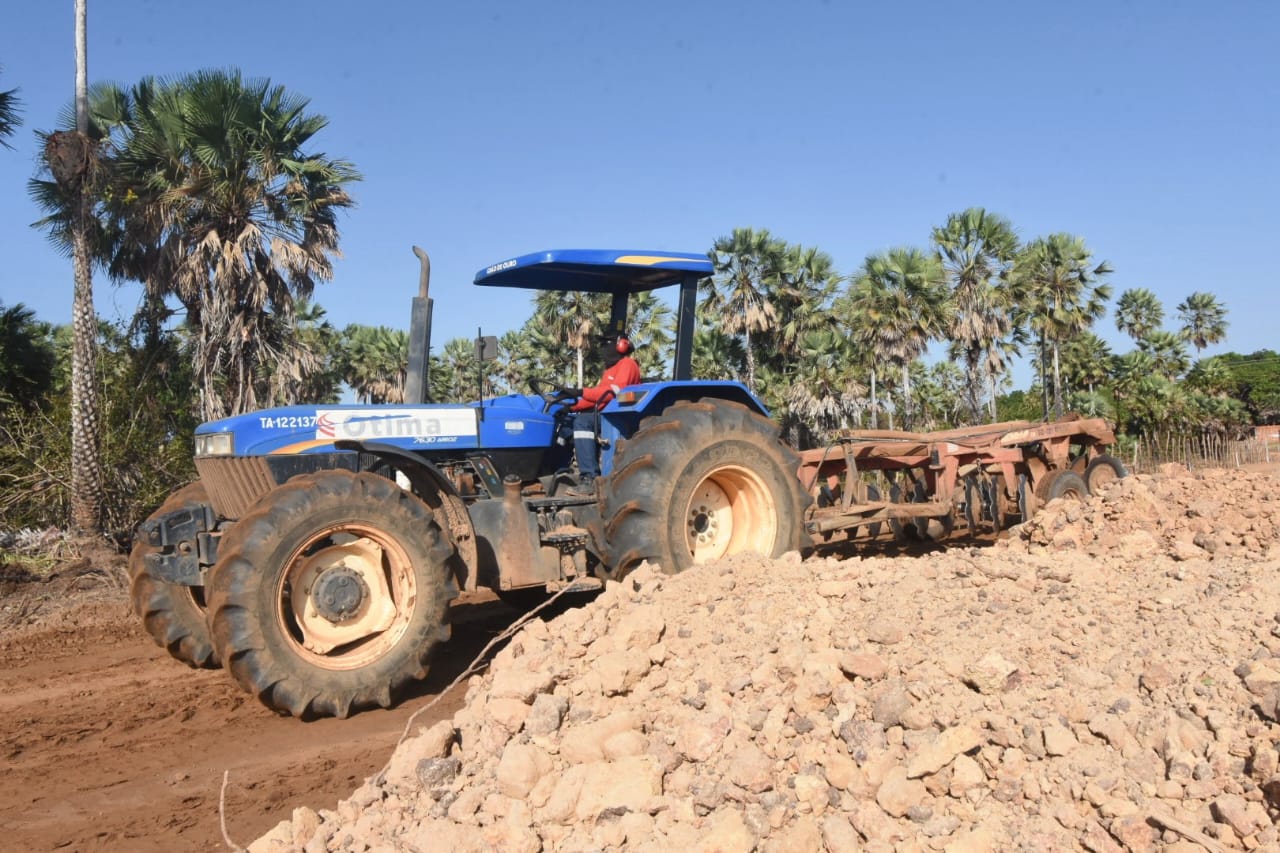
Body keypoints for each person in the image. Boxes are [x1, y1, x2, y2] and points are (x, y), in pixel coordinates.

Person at [565, 332, 640, 496]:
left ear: (621, 345)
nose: (603, 349)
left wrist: (581, 392)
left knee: (582, 422)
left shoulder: (627, 364)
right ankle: (562, 471)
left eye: (607, 343)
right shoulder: (610, 369)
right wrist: (571, 406)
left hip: (619, 414)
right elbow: (598, 398)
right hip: (605, 410)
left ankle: (590, 479)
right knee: (565, 423)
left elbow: (610, 394)